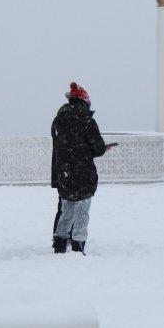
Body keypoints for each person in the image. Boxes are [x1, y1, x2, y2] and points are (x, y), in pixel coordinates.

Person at [51, 82, 116, 254]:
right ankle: (78, 246)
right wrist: (103, 148)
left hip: (64, 172)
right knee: (82, 212)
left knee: (66, 211)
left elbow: (61, 148)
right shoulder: (87, 121)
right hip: (83, 172)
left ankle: (59, 244)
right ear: (85, 102)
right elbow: (96, 147)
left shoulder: (58, 121)